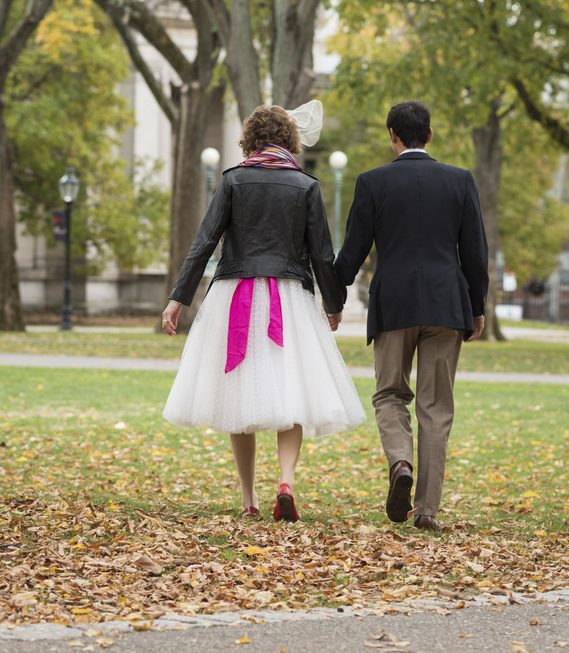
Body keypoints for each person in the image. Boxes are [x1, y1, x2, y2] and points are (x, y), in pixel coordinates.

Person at [161, 103, 365, 521]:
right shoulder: (306, 185)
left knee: (240, 391)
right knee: (291, 388)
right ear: (291, 140)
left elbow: (204, 243)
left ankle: (249, 497)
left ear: (249, 139)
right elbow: (323, 254)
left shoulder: (233, 180)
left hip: (235, 293)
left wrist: (178, 298)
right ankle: (286, 481)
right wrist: (334, 303)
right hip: (289, 294)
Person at [335, 100, 488, 532]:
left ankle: (399, 460)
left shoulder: (372, 182)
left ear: (393, 136)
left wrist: (333, 296)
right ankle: (426, 510)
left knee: (389, 394)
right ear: (430, 135)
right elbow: (475, 253)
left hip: (394, 304)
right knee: (436, 408)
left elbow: (352, 253)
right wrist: (477, 307)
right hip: (446, 304)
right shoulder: (460, 180)